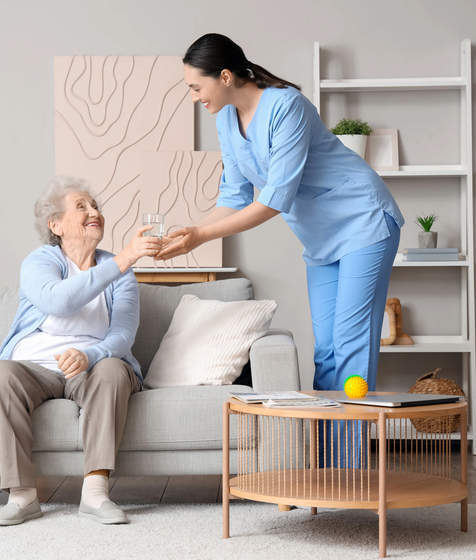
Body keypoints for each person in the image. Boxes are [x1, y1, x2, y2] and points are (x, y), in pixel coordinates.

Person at [156, 33, 404, 467]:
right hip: (320, 239)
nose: (194, 97)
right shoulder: (226, 120)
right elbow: (234, 196)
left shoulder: (286, 106)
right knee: (324, 351)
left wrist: (201, 238)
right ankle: (328, 465)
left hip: (364, 222)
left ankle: (349, 473)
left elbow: (274, 199)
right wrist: (190, 231)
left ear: (226, 76)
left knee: (349, 346)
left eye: (196, 87)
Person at [0, 175, 160, 526]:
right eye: (82, 206)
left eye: (95, 206)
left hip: (94, 366)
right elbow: (56, 300)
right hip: (35, 366)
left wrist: (90, 356)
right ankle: (22, 496)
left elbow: (124, 334)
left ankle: (95, 493)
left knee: (112, 369)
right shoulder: (39, 261)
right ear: (56, 224)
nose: (94, 211)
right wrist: (124, 258)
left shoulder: (120, 272)